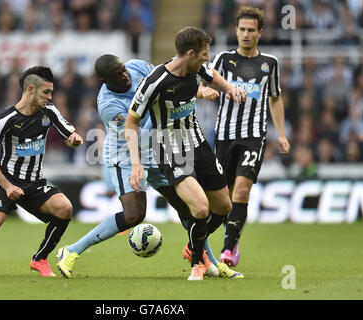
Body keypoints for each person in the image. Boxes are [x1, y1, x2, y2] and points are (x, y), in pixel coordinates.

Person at [56, 54, 242, 280]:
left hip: (156, 148)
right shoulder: (107, 104)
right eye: (117, 75)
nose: (124, 75)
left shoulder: (137, 67)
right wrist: (136, 164)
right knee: (134, 215)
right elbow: (136, 126)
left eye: (123, 69)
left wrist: (199, 92)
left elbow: (166, 84)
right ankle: (72, 250)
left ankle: (208, 260)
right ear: (105, 80)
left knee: (188, 208)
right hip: (126, 154)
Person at [125, 27, 247, 280]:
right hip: (170, 149)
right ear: (190, 54)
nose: (207, 58)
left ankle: (194, 246)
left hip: (198, 143)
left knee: (223, 206)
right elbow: (131, 122)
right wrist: (136, 163)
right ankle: (197, 265)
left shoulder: (198, 69)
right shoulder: (155, 82)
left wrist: (229, 89)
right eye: (204, 54)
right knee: (201, 208)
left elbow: (211, 75)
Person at [0, 66, 83, 278]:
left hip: (35, 182)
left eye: (51, 92)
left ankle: (40, 259)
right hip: (7, 179)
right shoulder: (5, 119)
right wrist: (8, 186)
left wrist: (74, 140)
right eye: (46, 92)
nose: (50, 96)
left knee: (65, 208)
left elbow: (70, 136)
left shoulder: (50, 112)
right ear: (30, 89)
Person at [210, 6, 290, 267]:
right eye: (242, 29)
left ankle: (228, 249)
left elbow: (275, 99)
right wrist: (206, 92)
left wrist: (282, 134)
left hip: (254, 137)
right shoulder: (222, 59)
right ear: (236, 30)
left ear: (260, 33)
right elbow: (203, 82)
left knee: (242, 191)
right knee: (223, 200)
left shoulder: (270, 64)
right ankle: (202, 243)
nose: (245, 34)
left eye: (251, 30)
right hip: (224, 137)